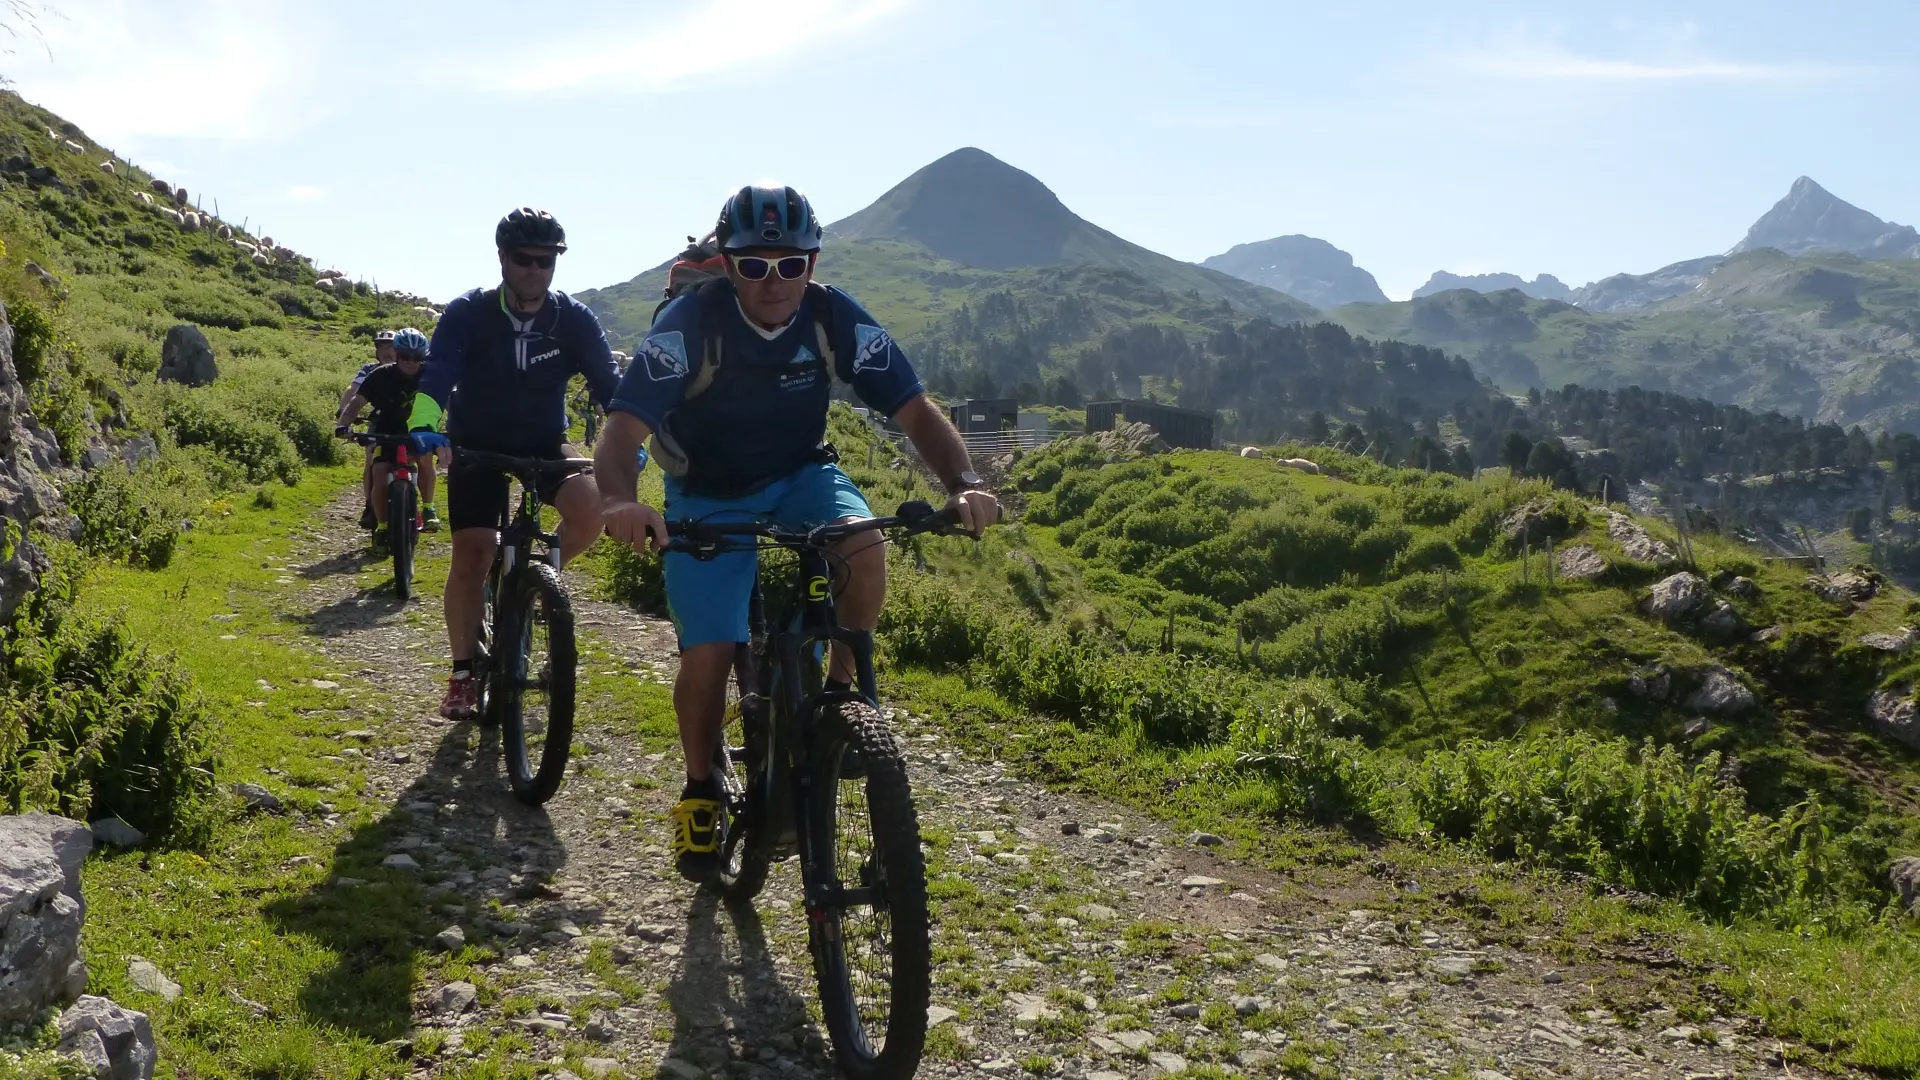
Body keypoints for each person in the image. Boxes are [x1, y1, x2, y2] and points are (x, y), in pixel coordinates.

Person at [594, 183, 998, 882]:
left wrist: (962, 485)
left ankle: (842, 701)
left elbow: (914, 409)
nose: (773, 281)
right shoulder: (691, 322)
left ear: (812, 261)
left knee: (863, 545)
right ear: (727, 263)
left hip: (802, 475)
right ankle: (699, 788)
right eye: (753, 265)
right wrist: (618, 501)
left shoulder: (832, 314)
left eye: (791, 264)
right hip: (707, 492)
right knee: (710, 654)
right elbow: (623, 427)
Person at [408, 207, 622, 720]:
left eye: (546, 261)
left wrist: (625, 436)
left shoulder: (572, 318)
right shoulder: (469, 313)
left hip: (544, 441)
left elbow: (610, 383)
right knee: (472, 553)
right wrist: (423, 423)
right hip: (476, 440)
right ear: (502, 258)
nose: (535, 270)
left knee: (592, 509)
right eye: (524, 259)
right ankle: (462, 673)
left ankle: (532, 585)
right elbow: (438, 373)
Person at [336, 328, 438, 546]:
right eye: (407, 356)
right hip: (385, 430)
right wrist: (343, 424)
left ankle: (429, 509)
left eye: (418, 357)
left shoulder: (430, 375)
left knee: (425, 459)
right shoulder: (381, 374)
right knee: (379, 474)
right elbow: (356, 401)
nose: (412, 362)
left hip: (418, 429)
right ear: (398, 354)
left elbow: (449, 401)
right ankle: (381, 526)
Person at [345, 329, 398, 530]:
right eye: (381, 347)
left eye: (390, 346)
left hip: (407, 421)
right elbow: (353, 391)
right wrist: (344, 411)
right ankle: (369, 505)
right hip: (378, 421)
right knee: (371, 459)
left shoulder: (407, 369)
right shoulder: (369, 369)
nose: (386, 351)